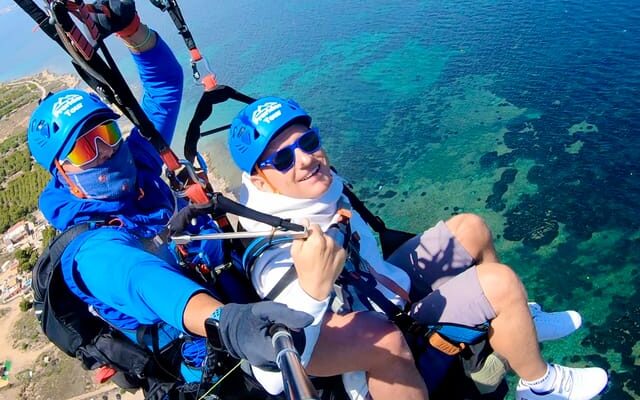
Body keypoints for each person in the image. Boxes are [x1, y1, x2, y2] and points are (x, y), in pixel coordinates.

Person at [26, 2, 346, 397]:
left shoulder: (138, 163)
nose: (106, 154)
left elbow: (164, 86)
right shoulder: (91, 250)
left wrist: (132, 31)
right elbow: (144, 281)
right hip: (211, 364)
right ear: (62, 172)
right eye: (83, 151)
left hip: (236, 291)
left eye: (107, 136)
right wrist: (226, 321)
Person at [227, 96, 610, 400]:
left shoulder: (320, 194)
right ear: (260, 181)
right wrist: (313, 291)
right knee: (500, 284)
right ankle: (539, 385)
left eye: (308, 142)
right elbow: (277, 371)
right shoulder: (276, 251)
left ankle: (519, 325)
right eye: (283, 158)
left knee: (471, 228)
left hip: (385, 287)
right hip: (381, 326)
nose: (307, 159)